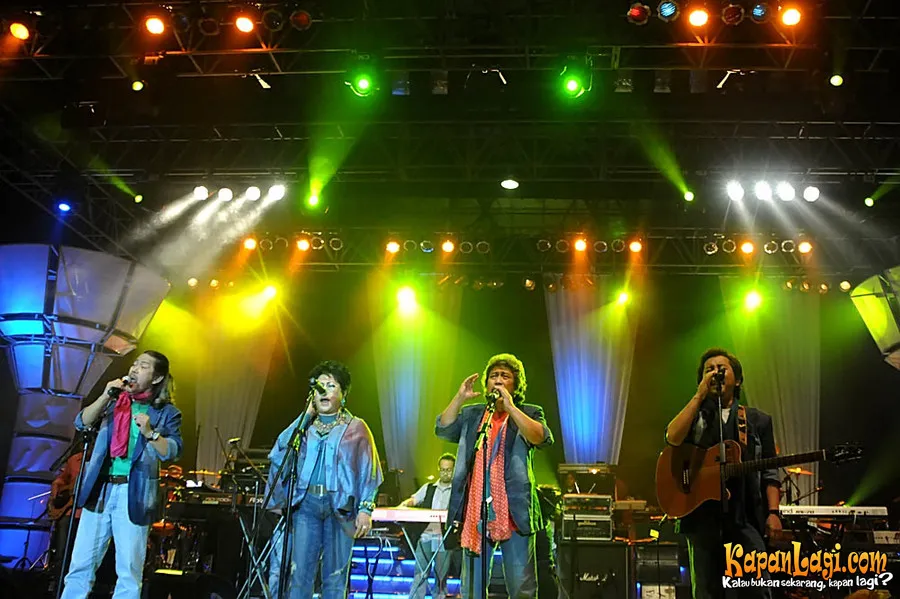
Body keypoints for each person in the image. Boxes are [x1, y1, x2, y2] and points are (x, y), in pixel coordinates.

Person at [60, 350, 183, 599]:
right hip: (100, 489)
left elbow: (173, 451)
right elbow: (81, 422)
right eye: (135, 364)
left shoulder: (167, 412)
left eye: (144, 366)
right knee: (80, 565)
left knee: (128, 571)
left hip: (134, 493)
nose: (134, 369)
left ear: (157, 378)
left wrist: (151, 433)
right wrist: (105, 394)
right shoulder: (114, 402)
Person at [664, 348, 782, 599]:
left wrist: (773, 513)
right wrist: (699, 396)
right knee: (706, 591)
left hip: (745, 517)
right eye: (709, 370)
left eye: (721, 369)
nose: (715, 373)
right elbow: (672, 437)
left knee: (757, 589)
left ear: (737, 380)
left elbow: (770, 471)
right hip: (701, 518)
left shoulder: (757, 421)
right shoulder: (694, 416)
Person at [436, 353, 554, 599]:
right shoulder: (473, 415)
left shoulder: (529, 412)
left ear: (516, 385)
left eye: (505, 376)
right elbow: (443, 428)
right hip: (476, 513)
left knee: (522, 588)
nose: (498, 381)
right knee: (472, 589)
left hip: (515, 512)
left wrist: (510, 407)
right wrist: (460, 397)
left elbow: (541, 437)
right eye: (493, 376)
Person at [267, 360, 383, 599]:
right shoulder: (305, 427)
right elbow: (279, 452)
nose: (324, 392)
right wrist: (305, 416)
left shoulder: (356, 428)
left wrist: (366, 509)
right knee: (299, 575)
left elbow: (369, 471)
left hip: (339, 507)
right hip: (306, 505)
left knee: (335, 578)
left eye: (331, 386)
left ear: (343, 394)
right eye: (319, 387)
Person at [399, 453, 456, 599]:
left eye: (449, 470)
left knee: (441, 577)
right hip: (426, 536)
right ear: (439, 469)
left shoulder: (457, 491)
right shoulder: (429, 488)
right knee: (420, 573)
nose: (445, 473)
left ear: (454, 470)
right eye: (443, 469)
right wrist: (403, 505)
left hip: (444, 538)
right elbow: (413, 499)